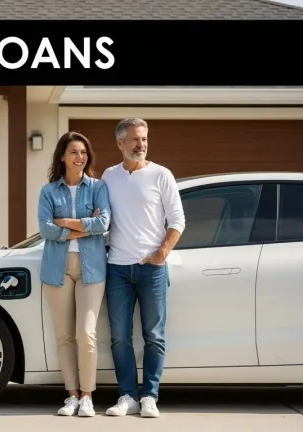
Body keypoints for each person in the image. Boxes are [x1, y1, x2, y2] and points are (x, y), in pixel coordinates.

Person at [100, 118, 185, 418]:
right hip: (117, 269)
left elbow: (177, 220)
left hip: (152, 269)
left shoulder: (162, 175)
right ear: (120, 143)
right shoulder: (108, 177)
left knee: (154, 335)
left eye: (145, 139)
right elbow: (102, 219)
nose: (141, 144)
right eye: (135, 139)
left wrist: (161, 253)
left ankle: (149, 396)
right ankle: (127, 396)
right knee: (120, 336)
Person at [37, 131, 111, 417]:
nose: (79, 157)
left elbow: (103, 223)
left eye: (83, 152)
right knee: (64, 335)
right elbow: (45, 230)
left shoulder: (98, 188)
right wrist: (83, 225)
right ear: (62, 157)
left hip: (92, 268)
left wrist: (64, 223)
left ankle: (89, 396)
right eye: (73, 152)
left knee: (86, 333)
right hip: (57, 269)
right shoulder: (48, 191)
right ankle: (72, 395)